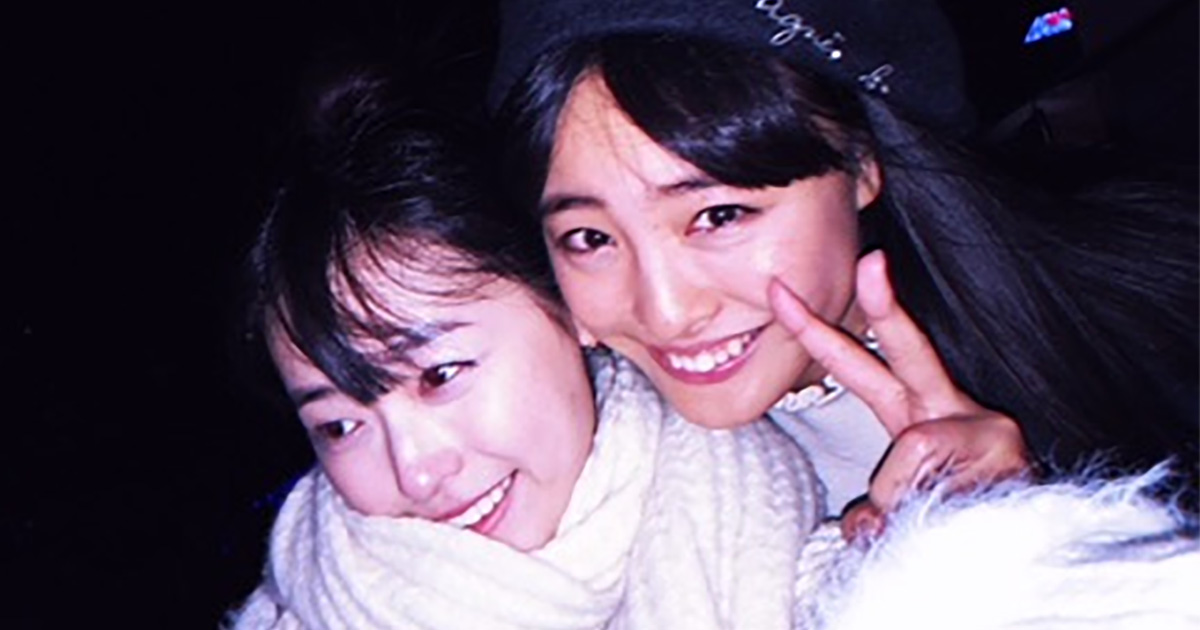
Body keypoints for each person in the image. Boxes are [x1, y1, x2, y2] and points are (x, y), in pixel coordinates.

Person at [488, 0, 1199, 523]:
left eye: (720, 215)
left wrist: (1037, 538)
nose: (667, 312)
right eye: (590, 239)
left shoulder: (1153, 312)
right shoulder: (598, 494)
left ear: (861, 165)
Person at [228, 69, 823, 630]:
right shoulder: (306, 603)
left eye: (441, 375)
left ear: (565, 300)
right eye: (338, 427)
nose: (416, 472)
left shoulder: (795, 549)